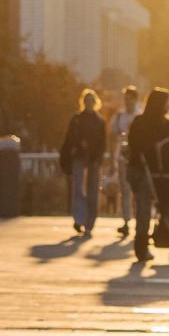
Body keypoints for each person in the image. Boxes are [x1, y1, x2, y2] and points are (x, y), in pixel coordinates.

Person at [126, 88, 169, 262]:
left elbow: (133, 144)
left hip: (143, 170)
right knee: (158, 207)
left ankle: (141, 245)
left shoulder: (139, 121)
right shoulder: (167, 125)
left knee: (143, 209)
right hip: (151, 171)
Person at [60, 89, 106, 236]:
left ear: (95, 103)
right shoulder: (77, 119)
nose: (89, 104)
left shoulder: (99, 121)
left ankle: (89, 223)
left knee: (93, 192)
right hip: (79, 157)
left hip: (94, 160)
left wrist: (98, 159)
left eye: (91, 101)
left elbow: (103, 143)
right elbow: (69, 140)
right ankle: (79, 219)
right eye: (87, 101)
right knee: (78, 190)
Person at [108, 86, 141, 236]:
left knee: (138, 191)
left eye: (130, 98)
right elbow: (113, 136)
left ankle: (140, 220)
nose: (127, 101)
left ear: (135, 99)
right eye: (125, 98)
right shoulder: (119, 116)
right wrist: (112, 157)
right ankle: (127, 221)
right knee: (125, 190)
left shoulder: (140, 116)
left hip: (138, 158)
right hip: (122, 158)